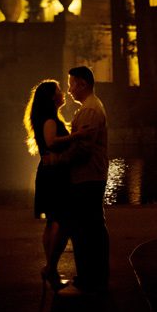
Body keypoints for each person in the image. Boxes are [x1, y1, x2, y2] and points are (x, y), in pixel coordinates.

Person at [45, 65, 110, 296]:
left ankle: (88, 278)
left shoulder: (90, 111)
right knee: (93, 228)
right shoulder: (91, 107)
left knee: (85, 230)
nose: (69, 89)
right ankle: (96, 275)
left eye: (72, 83)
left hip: (87, 176)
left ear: (82, 84)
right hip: (91, 175)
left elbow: (82, 149)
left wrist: (58, 160)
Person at [23, 79, 82, 291]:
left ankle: (51, 268)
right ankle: (51, 266)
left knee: (51, 222)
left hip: (48, 172)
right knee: (61, 220)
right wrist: (77, 136)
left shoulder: (46, 117)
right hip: (55, 174)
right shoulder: (49, 119)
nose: (63, 93)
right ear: (51, 97)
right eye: (59, 90)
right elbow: (51, 142)